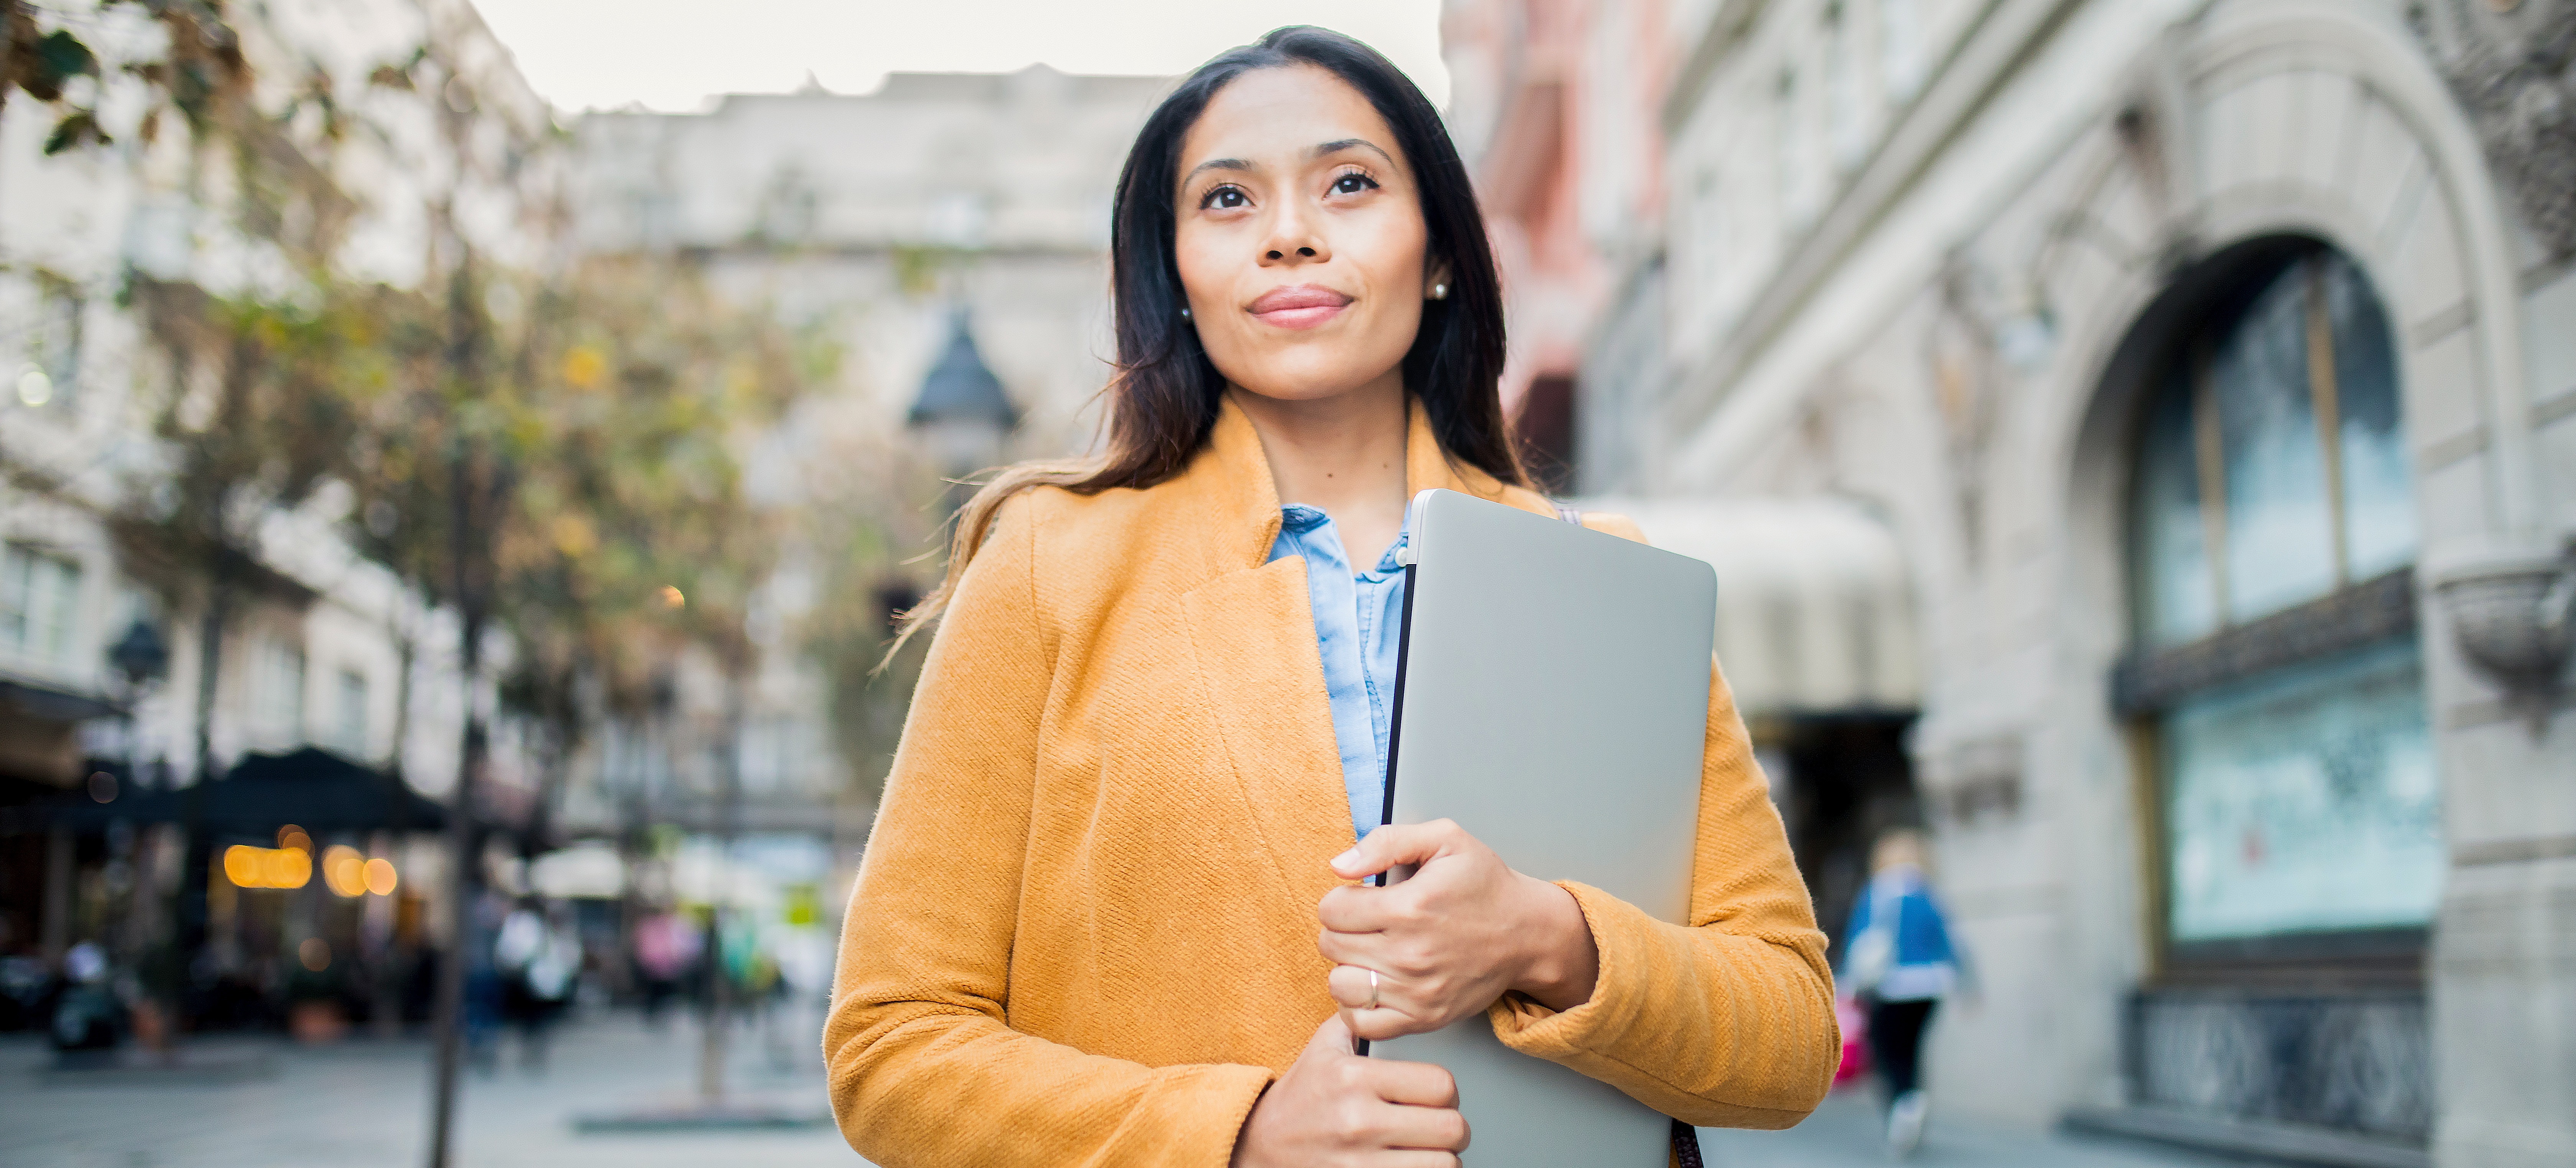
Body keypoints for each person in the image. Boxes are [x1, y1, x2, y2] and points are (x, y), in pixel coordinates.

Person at [823, 26, 1837, 1168]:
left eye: (1348, 183)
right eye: (1225, 201)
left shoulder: (1598, 577)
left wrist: (1548, 937)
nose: (1289, 233)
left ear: (1439, 248)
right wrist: (1235, 1133)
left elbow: (1791, 1031)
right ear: (1177, 274)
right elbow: (891, 1047)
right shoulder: (1050, 564)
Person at [1838, 828, 1971, 1158]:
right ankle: (1913, 1100)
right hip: (1931, 987)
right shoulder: (1926, 893)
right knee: (1913, 1049)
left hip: (1890, 987)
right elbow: (1951, 941)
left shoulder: (1877, 892)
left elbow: (1859, 940)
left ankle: (1902, 1105)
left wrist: (1846, 982)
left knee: (1887, 1051)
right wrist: (1967, 985)